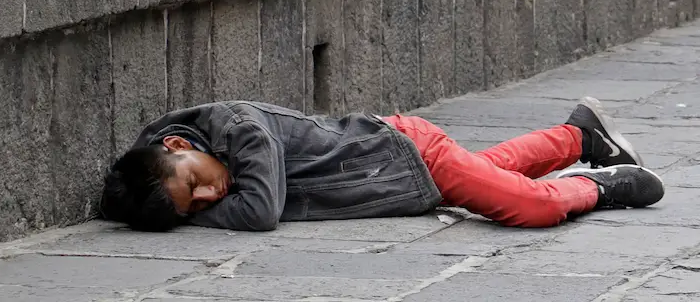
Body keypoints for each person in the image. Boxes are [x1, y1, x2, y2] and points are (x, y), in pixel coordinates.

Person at [99, 98, 663, 232]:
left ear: (178, 148)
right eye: (192, 207)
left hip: (404, 153)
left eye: (196, 185)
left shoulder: (237, 125)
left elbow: (260, 210)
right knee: (493, 170)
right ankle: (578, 134)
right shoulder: (163, 166)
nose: (208, 197)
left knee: (528, 206)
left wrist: (189, 219)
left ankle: (603, 184)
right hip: (400, 178)